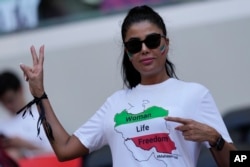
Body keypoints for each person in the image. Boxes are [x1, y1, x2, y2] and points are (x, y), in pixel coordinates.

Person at [19, 5, 237, 167]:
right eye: (134, 44)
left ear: (165, 44)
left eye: (151, 41)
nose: (144, 49)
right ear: (128, 53)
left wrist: (215, 138)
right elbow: (65, 149)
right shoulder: (115, 103)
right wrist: (39, 95)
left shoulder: (195, 94)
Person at [0, 70, 53, 163]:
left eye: (10, 100)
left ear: (20, 90)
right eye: (4, 102)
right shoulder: (2, 126)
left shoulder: (40, 117)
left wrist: (24, 145)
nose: (8, 106)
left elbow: (55, 153)